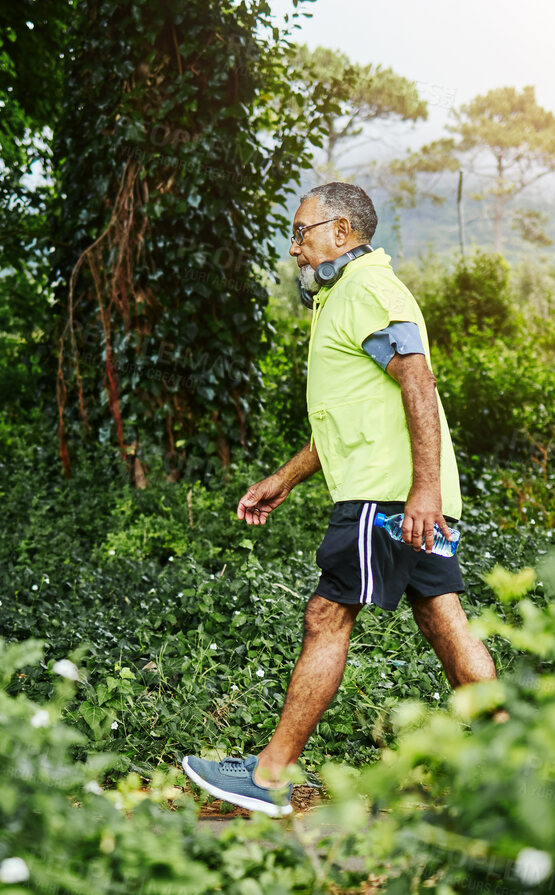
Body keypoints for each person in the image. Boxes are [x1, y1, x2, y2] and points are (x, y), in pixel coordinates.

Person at [181, 182, 497, 817]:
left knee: (326, 618)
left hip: (386, 496)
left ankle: (268, 778)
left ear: (343, 233)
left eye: (303, 231)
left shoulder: (368, 290)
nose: (295, 246)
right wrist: (285, 478)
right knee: (444, 619)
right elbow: (351, 416)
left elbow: (418, 382)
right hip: (405, 495)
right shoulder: (343, 296)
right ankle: (513, 769)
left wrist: (423, 490)